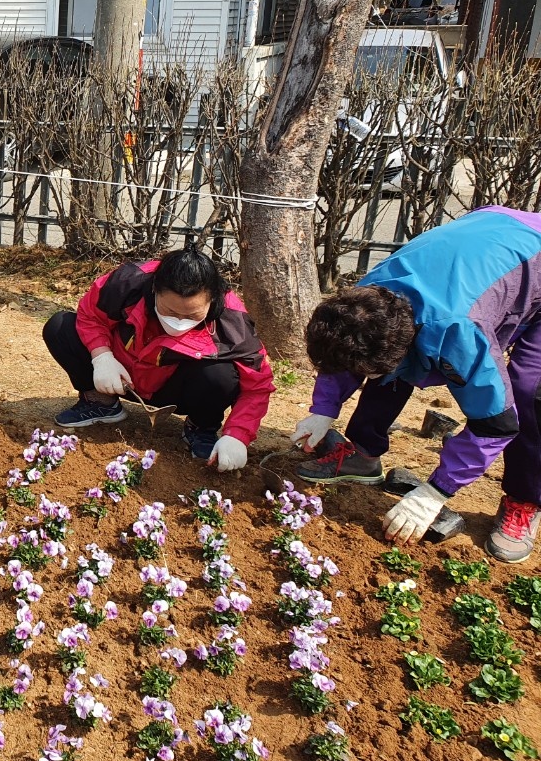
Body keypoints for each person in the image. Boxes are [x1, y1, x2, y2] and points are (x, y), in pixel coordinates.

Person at [293, 206, 541, 564]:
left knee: (528, 388)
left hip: (527, 261)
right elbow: (345, 357)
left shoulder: (459, 334)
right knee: (382, 361)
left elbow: (495, 425)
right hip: (487, 240)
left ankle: (524, 500)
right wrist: (323, 410)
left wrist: (435, 492)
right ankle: (364, 452)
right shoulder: (363, 301)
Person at [42, 246, 275, 472]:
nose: (180, 321)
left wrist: (237, 435)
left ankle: (201, 426)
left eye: (192, 315)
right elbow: (91, 315)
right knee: (61, 327)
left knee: (221, 375)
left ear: (212, 300)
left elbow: (257, 385)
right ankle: (100, 402)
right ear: (154, 290)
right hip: (121, 372)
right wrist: (101, 356)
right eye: (170, 312)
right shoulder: (127, 283)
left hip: (176, 388)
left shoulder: (233, 324)